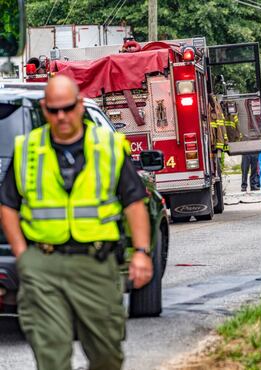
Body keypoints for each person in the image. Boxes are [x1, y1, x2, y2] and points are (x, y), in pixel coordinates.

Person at [0, 75, 153, 370]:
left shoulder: (107, 146)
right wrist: (23, 257)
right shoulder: (27, 149)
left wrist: (142, 253)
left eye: (67, 108)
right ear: (45, 109)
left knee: (106, 355)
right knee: (52, 357)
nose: (61, 116)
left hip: (95, 264)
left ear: (80, 106)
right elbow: (7, 205)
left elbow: (134, 201)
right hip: (43, 265)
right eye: (54, 110)